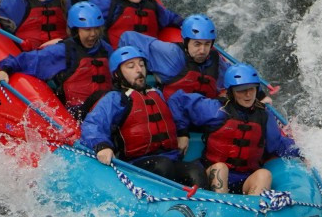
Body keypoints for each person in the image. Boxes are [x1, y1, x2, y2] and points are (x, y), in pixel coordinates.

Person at [79, 46, 225, 187]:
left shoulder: (157, 94)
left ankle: (199, 209)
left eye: (141, 65)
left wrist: (182, 132)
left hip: (170, 158)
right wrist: (102, 146)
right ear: (117, 74)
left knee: (196, 171)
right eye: (131, 66)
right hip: (136, 164)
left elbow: (178, 108)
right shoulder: (116, 98)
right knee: (163, 166)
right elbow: (93, 124)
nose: (139, 70)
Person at [0, 1, 113, 119]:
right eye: (87, 30)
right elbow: (26, 60)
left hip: (106, 110)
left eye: (96, 29)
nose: (93, 34)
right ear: (75, 30)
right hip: (77, 114)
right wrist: (6, 69)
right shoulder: (62, 51)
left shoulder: (106, 49)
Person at [203, 63, 303, 195]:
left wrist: (302, 151)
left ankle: (252, 212)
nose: (248, 94)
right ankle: (220, 208)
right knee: (221, 168)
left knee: (264, 174)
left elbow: (277, 145)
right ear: (231, 92)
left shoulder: (264, 115)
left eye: (252, 89)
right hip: (213, 174)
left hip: (245, 179)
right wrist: (183, 133)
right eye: (241, 90)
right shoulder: (215, 109)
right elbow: (179, 102)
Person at [161, 14, 224, 97]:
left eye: (207, 44)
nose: (202, 51)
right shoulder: (170, 53)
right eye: (197, 44)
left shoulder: (216, 59)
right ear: (185, 42)